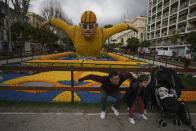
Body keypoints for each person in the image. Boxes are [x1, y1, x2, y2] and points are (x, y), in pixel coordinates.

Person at [41, 10, 137, 58]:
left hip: (96, 64)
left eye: (91, 27)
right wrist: (48, 21)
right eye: (85, 26)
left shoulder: (102, 32)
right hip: (78, 64)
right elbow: (60, 24)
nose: (87, 29)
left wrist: (130, 26)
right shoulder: (74, 30)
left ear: (96, 26)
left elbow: (116, 28)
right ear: (80, 25)